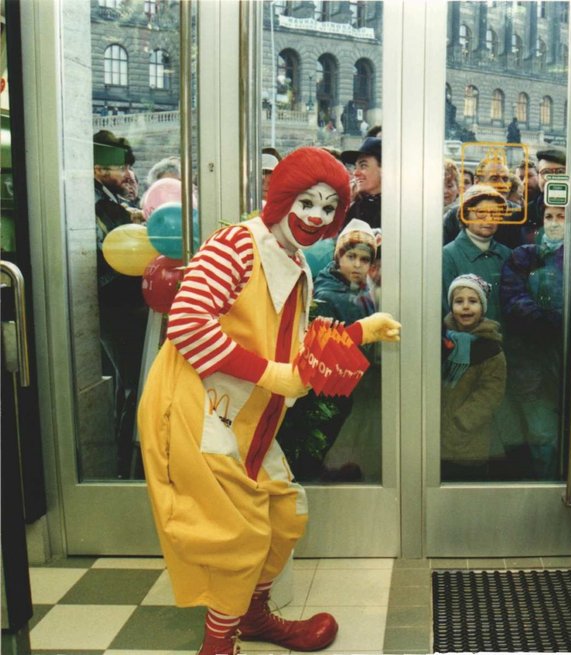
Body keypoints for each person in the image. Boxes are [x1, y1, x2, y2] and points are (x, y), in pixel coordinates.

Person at [136, 147, 401, 655]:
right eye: (307, 201)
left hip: (249, 416)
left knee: (282, 514)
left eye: (328, 208)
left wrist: (359, 332)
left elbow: (292, 350)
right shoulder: (236, 245)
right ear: (281, 197)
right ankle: (218, 645)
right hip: (201, 413)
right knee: (238, 533)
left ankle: (253, 618)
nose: (316, 217)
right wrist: (270, 374)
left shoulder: (293, 259)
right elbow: (188, 325)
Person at [93, 130, 148, 478]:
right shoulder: (98, 203)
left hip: (118, 303)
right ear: (99, 167)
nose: (127, 175)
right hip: (117, 305)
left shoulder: (107, 199)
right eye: (122, 167)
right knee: (131, 382)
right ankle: (124, 462)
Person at [499, 204, 566, 478]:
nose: (554, 223)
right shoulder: (524, 256)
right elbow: (513, 299)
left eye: (562, 217)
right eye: (549, 217)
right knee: (542, 433)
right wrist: (550, 322)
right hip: (532, 363)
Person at [313, 220, 382, 482]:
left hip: (361, 382)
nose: (357, 265)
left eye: (364, 259)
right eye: (351, 256)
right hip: (340, 384)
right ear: (337, 257)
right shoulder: (328, 295)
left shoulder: (364, 290)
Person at [441, 273, 507, 481]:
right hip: (438, 432)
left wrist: (463, 421)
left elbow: (491, 391)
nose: (466, 307)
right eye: (459, 301)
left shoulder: (489, 347)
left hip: (468, 435)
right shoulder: (441, 340)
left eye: (473, 301)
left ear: (483, 307)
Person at [443, 184, 513, 324]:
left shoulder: (508, 254)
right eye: (481, 212)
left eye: (495, 213)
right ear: (465, 214)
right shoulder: (447, 256)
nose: (488, 219)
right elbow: (445, 311)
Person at [340, 136, 382, 228]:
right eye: (355, 167)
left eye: (363, 166)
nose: (355, 173)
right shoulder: (353, 209)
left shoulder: (401, 208)